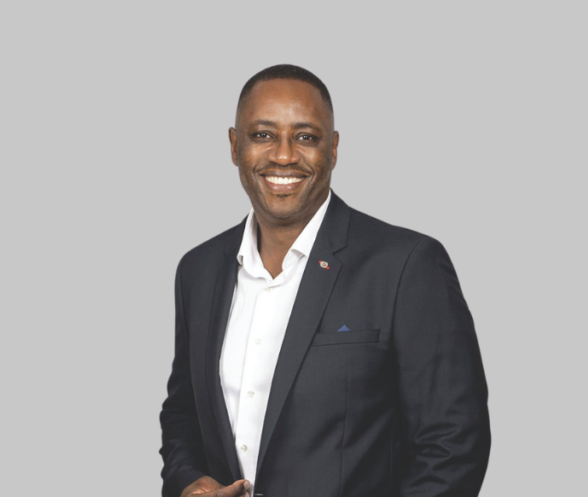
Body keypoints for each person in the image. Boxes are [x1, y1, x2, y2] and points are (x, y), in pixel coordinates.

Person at [159, 64, 490, 497]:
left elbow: (453, 444)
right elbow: (183, 412)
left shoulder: (405, 266)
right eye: (263, 135)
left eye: (305, 137)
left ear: (332, 149)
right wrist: (188, 483)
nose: (283, 155)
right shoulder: (198, 271)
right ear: (235, 146)